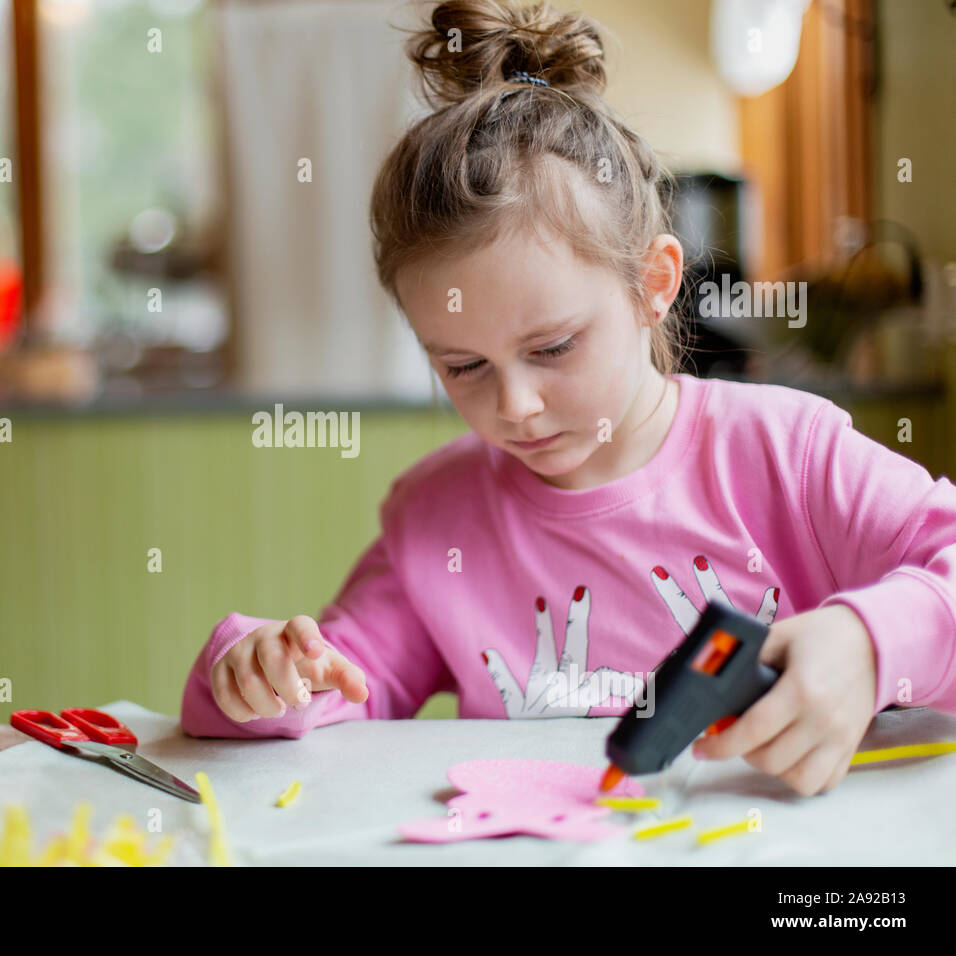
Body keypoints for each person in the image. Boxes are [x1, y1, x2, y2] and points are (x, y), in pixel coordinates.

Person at [179, 0, 956, 797]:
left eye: (552, 348)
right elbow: (337, 684)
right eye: (462, 366)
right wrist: (255, 673)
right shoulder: (435, 517)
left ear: (653, 283)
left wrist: (868, 642)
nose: (514, 405)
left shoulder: (787, 455)